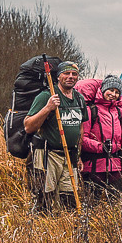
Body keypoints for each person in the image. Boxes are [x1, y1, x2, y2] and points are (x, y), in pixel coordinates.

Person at [23, 60, 85, 212]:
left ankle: (63, 230)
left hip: (69, 156)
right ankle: (40, 230)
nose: (71, 77)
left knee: (68, 200)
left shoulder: (79, 98)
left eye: (74, 74)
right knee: (44, 198)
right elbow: (28, 126)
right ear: (58, 76)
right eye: (66, 73)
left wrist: (78, 156)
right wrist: (48, 108)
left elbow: (80, 128)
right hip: (47, 155)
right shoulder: (46, 96)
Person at [75, 75, 122, 203]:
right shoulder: (91, 110)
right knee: (91, 203)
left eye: (117, 92)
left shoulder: (119, 111)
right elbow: (82, 138)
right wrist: (101, 147)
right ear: (103, 90)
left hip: (115, 165)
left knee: (116, 203)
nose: (113, 94)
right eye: (111, 90)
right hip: (93, 166)